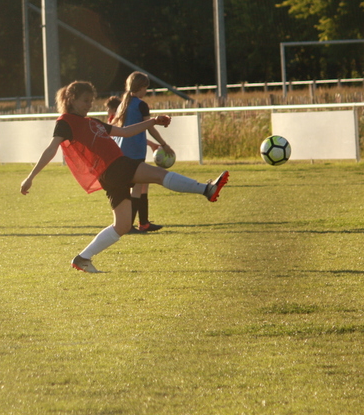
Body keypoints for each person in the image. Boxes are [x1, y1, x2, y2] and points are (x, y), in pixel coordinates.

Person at [21, 80, 229, 273]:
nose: (89, 105)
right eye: (85, 100)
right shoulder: (65, 122)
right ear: (71, 99)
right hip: (115, 167)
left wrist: (153, 121)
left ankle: (82, 258)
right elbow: (51, 149)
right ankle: (206, 189)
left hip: (110, 173)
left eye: (91, 101)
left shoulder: (91, 121)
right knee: (159, 175)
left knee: (122, 225)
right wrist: (30, 177)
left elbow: (125, 132)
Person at [111, 73, 173, 234]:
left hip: (121, 150)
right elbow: (150, 128)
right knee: (137, 187)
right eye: (146, 88)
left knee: (140, 185)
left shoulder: (123, 104)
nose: (146, 91)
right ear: (142, 87)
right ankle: (129, 226)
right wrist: (164, 144)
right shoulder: (141, 105)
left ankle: (144, 222)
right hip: (135, 150)